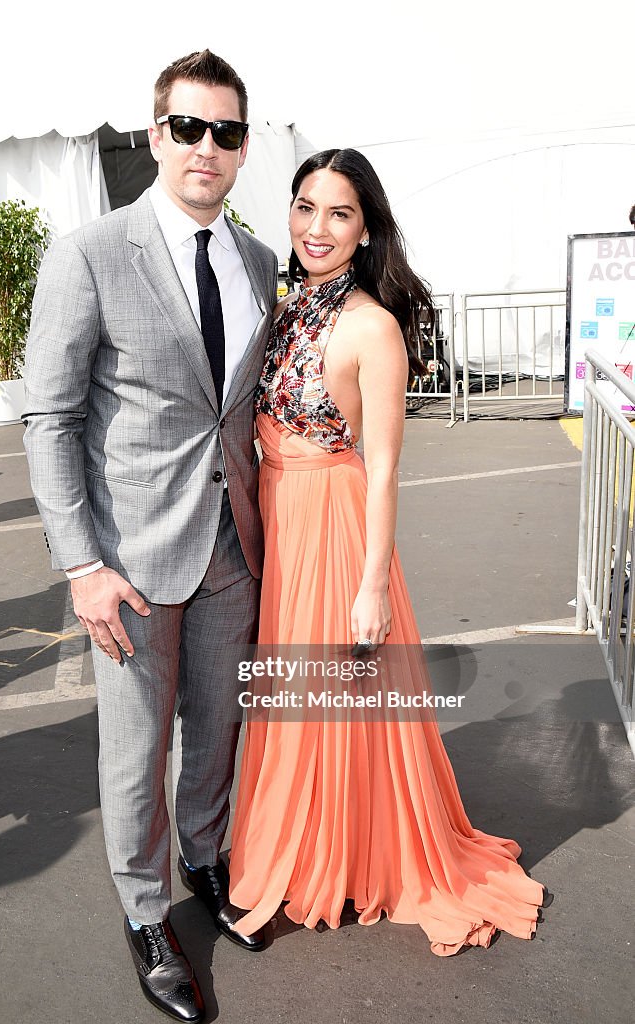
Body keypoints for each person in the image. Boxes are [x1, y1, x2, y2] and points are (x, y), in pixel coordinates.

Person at [228, 148, 552, 955]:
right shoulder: (287, 305)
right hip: (282, 518)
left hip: (336, 530)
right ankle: (307, 844)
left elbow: (384, 471)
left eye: (339, 213)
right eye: (306, 207)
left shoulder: (372, 326)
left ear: (366, 225)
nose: (317, 227)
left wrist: (373, 584)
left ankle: (341, 853)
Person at [22, 50, 278, 1024]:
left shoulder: (257, 263)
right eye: (187, 127)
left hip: (229, 546)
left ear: (241, 147)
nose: (203, 148)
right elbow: (49, 420)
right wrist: (81, 564)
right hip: (127, 561)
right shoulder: (89, 253)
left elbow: (247, 408)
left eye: (224, 131)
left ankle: (204, 863)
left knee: (215, 729)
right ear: (155, 133)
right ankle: (142, 912)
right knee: (134, 751)